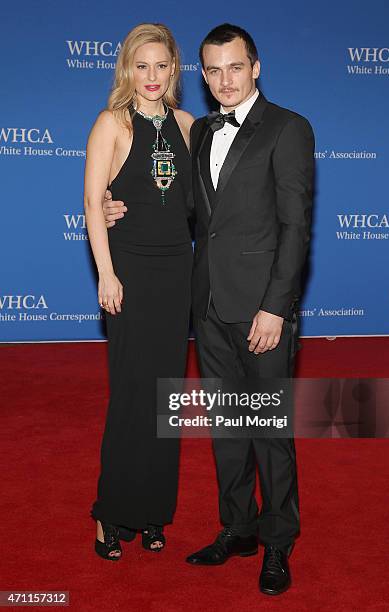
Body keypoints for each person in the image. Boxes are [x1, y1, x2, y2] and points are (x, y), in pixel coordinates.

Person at [103, 22, 314, 595]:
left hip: (261, 307)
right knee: (227, 425)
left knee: (268, 426)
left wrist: (276, 306)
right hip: (207, 302)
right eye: (213, 70)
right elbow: (171, 202)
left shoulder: (288, 129)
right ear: (201, 74)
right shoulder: (196, 134)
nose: (225, 80)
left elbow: (296, 227)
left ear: (256, 66)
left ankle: (277, 541)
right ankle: (238, 527)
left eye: (236, 67)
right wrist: (108, 201)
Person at [84, 23, 194, 561]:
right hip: (129, 271)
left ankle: (153, 511)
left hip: (178, 273)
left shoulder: (189, 125)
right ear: (128, 69)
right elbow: (91, 204)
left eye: (162, 66)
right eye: (142, 66)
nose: (152, 77)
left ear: (175, 70)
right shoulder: (112, 123)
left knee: (165, 398)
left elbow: (201, 203)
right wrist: (106, 272)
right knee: (131, 393)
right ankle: (111, 512)